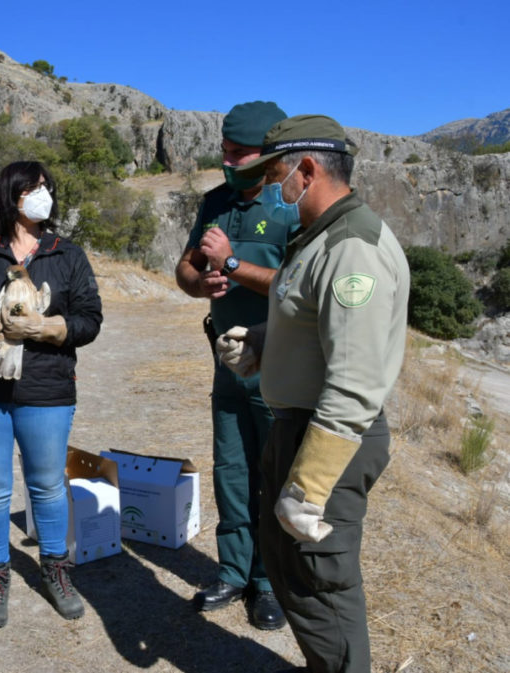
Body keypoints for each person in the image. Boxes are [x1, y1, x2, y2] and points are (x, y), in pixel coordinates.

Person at [218, 115, 410, 673]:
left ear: (306, 170)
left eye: (277, 176)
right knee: (290, 567)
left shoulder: (354, 248)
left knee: (321, 581)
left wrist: (312, 483)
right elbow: (313, 322)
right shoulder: (319, 238)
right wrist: (260, 343)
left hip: (329, 440)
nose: (273, 191)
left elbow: (355, 382)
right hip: (297, 426)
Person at [0, 160, 103, 629]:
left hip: (47, 389)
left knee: (47, 485)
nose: (42, 195)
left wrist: (47, 327)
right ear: (11, 195)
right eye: (33, 187)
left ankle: (55, 570)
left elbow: (90, 319)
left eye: (47, 187)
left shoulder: (67, 254)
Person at [175, 101, 288, 630]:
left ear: (268, 155)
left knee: (273, 473)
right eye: (223, 150)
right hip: (226, 361)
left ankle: (268, 583)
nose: (227, 160)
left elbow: (299, 287)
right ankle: (233, 571)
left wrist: (233, 267)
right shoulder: (214, 202)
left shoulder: (292, 206)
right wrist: (202, 282)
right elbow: (185, 267)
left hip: (278, 366)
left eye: (238, 153)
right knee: (232, 470)